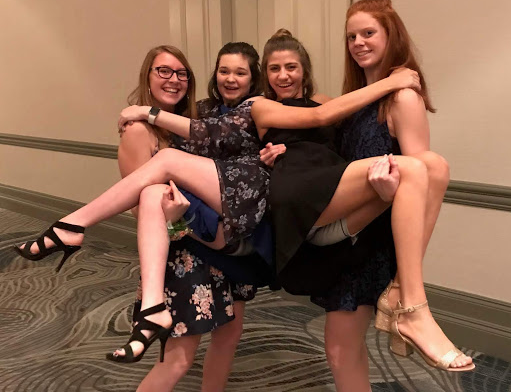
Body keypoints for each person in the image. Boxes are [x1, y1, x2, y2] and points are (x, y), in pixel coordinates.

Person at [13, 47, 418, 369]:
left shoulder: (258, 105)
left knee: (166, 168)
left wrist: (392, 82)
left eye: (242, 72)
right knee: (153, 193)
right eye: (225, 71)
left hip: (248, 210)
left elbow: (325, 119)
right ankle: (150, 306)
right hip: (205, 222)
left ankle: (73, 226)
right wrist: (146, 117)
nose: (232, 78)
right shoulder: (206, 111)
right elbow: (200, 137)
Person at [251, 25, 474, 380]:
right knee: (415, 167)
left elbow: (338, 136)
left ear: (304, 70)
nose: (283, 75)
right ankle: (412, 308)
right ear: (265, 73)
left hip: (341, 199)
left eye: (291, 67)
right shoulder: (262, 105)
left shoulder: (331, 101)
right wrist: (394, 81)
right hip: (304, 202)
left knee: (434, 165)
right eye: (274, 68)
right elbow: (318, 119)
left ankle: (402, 291)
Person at [127, 42, 265, 391]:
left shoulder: (199, 119)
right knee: (178, 359)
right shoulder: (138, 131)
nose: (173, 80)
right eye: (163, 71)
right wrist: (177, 223)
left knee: (229, 333)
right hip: (180, 253)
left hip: (219, 247)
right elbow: (139, 208)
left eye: (181, 73)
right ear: (147, 76)